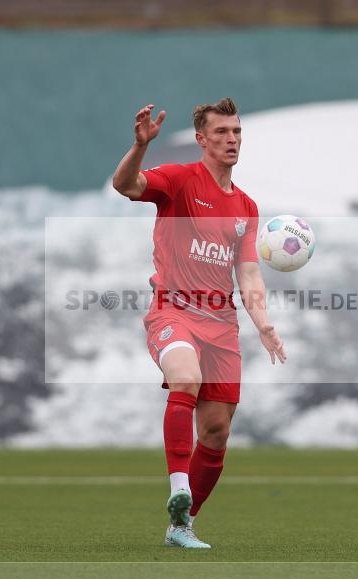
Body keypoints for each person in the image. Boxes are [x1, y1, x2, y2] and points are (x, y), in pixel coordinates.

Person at [112, 98, 287, 549]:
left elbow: (248, 272)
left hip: (222, 324)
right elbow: (125, 185)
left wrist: (263, 323)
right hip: (173, 310)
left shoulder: (245, 206)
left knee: (216, 431)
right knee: (185, 377)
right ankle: (180, 489)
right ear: (201, 139)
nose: (232, 139)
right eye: (221, 132)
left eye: (237, 131)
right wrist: (140, 146)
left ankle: (181, 525)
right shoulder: (178, 179)